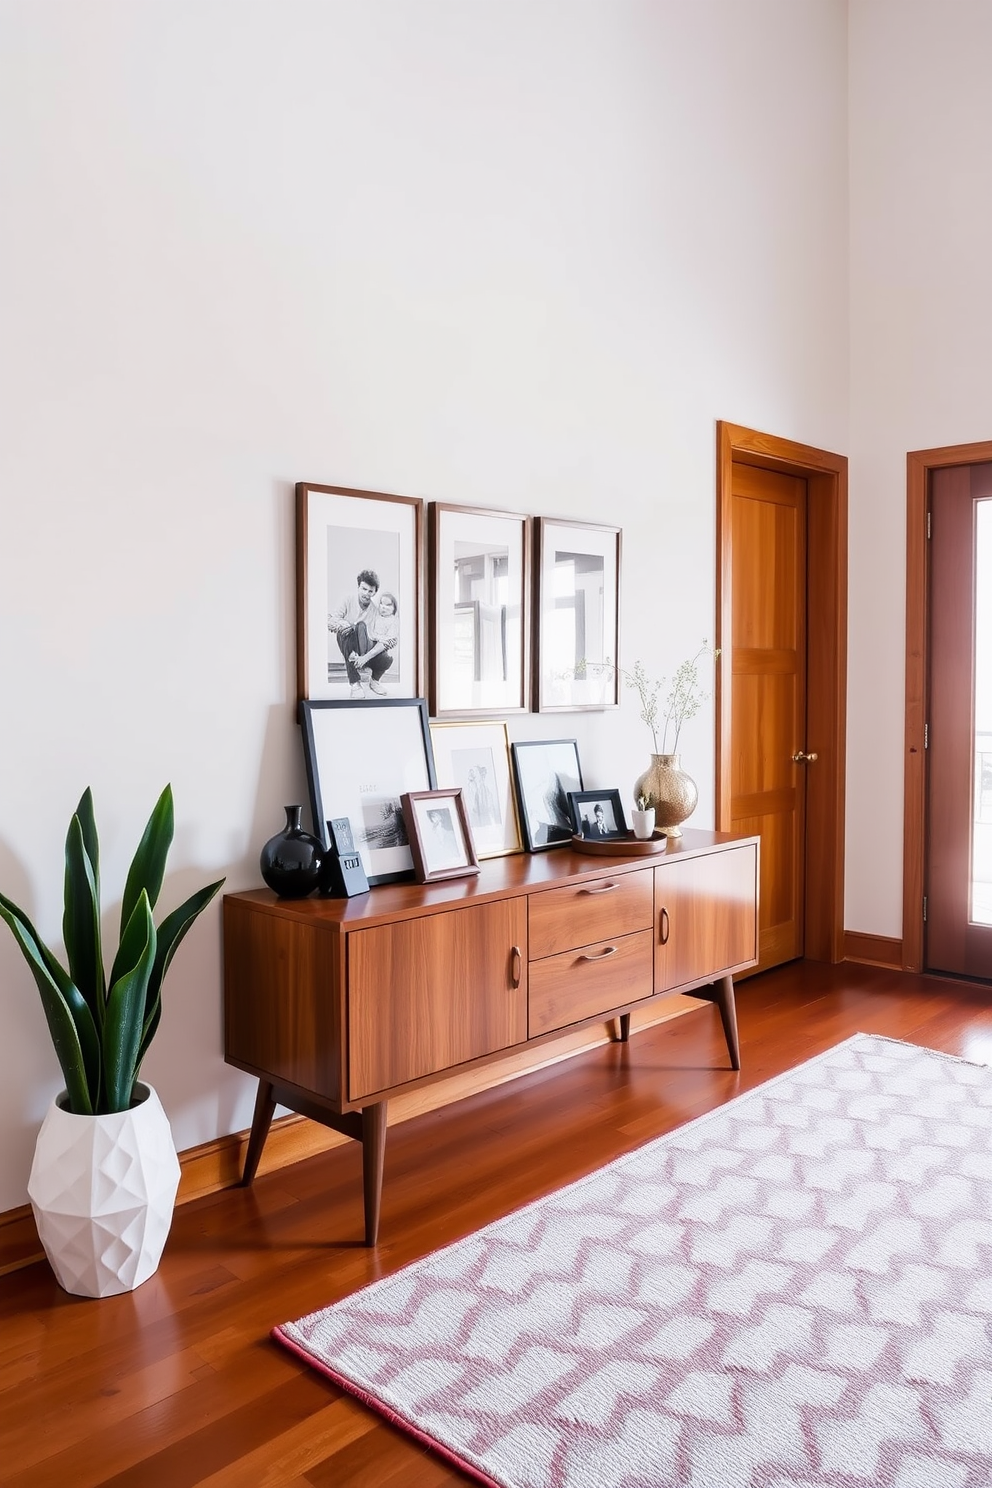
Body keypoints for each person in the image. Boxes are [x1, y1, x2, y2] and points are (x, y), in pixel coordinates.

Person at [327, 571, 396, 698]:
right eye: (364, 589)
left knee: (387, 657)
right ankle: (355, 683)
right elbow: (331, 619)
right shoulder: (347, 599)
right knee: (353, 628)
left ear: (374, 592)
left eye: (370, 591)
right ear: (358, 587)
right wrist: (345, 625)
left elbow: (376, 635)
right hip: (347, 641)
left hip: (364, 647)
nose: (366, 594)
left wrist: (368, 654)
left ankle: (374, 681)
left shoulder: (375, 611)